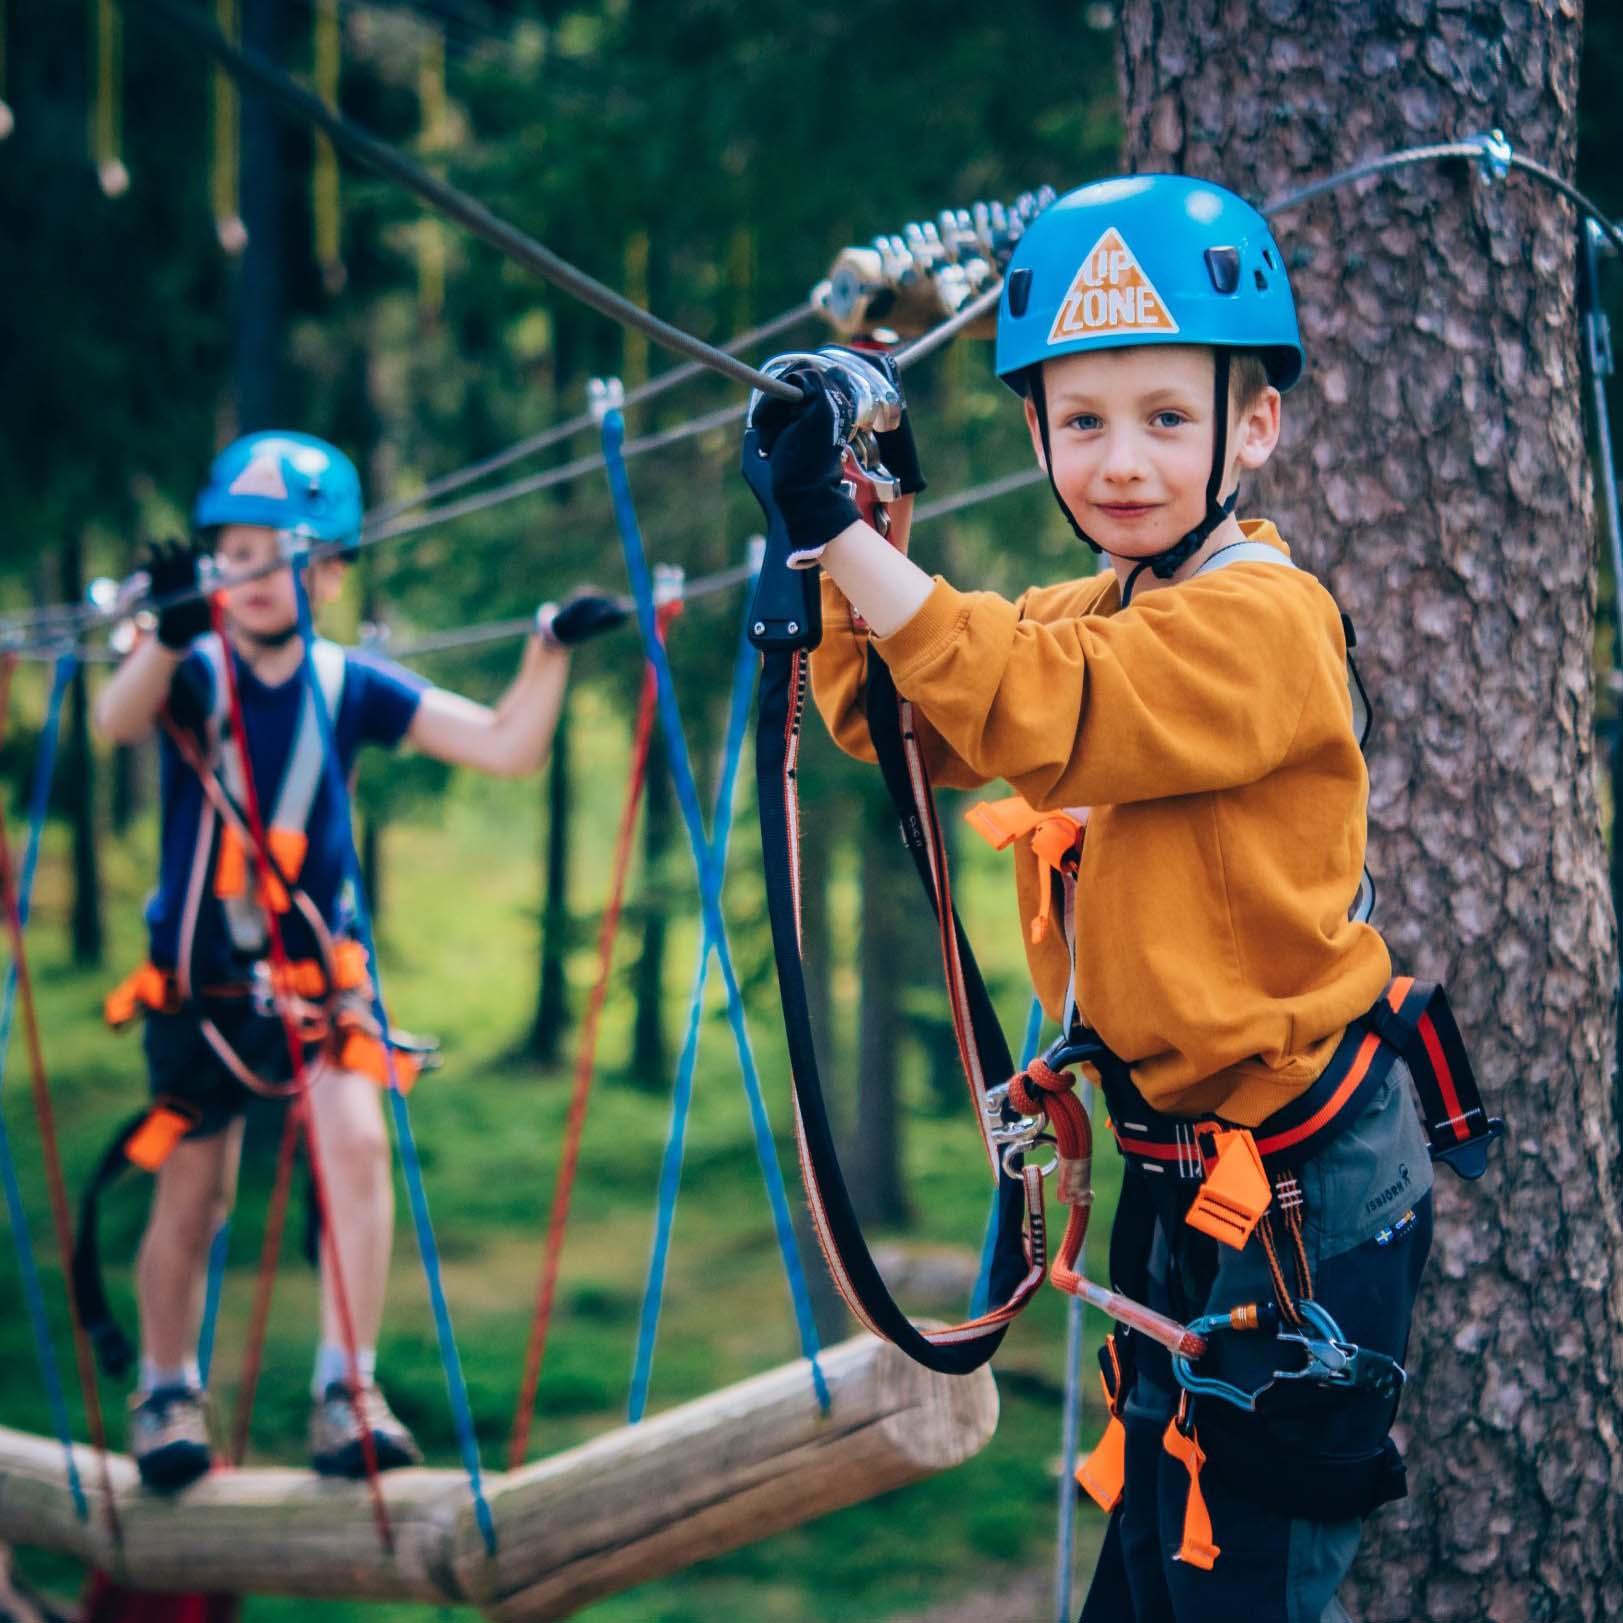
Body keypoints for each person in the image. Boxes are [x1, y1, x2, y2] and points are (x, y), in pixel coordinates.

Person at [748, 176, 1451, 1621]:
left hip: (1294, 1202)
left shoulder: (1261, 618)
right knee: (1146, 1581)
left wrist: (846, 530)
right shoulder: (1108, 603)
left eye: (1163, 417)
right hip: (1180, 1179)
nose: (1119, 460)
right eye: (1080, 420)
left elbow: (1030, 703)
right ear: (1032, 433)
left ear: (1248, 428)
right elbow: (909, 714)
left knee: (1232, 1580)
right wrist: (846, 536)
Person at [93, 430, 624, 1492]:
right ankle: (166, 1392)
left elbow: (504, 746)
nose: (243, 574)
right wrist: (164, 628)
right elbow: (117, 720)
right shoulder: (189, 670)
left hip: (318, 985)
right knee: (193, 1198)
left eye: (271, 552)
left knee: (359, 1149)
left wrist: (549, 650)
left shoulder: (350, 685)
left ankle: (348, 1388)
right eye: (228, 551)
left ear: (329, 573)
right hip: (201, 992)